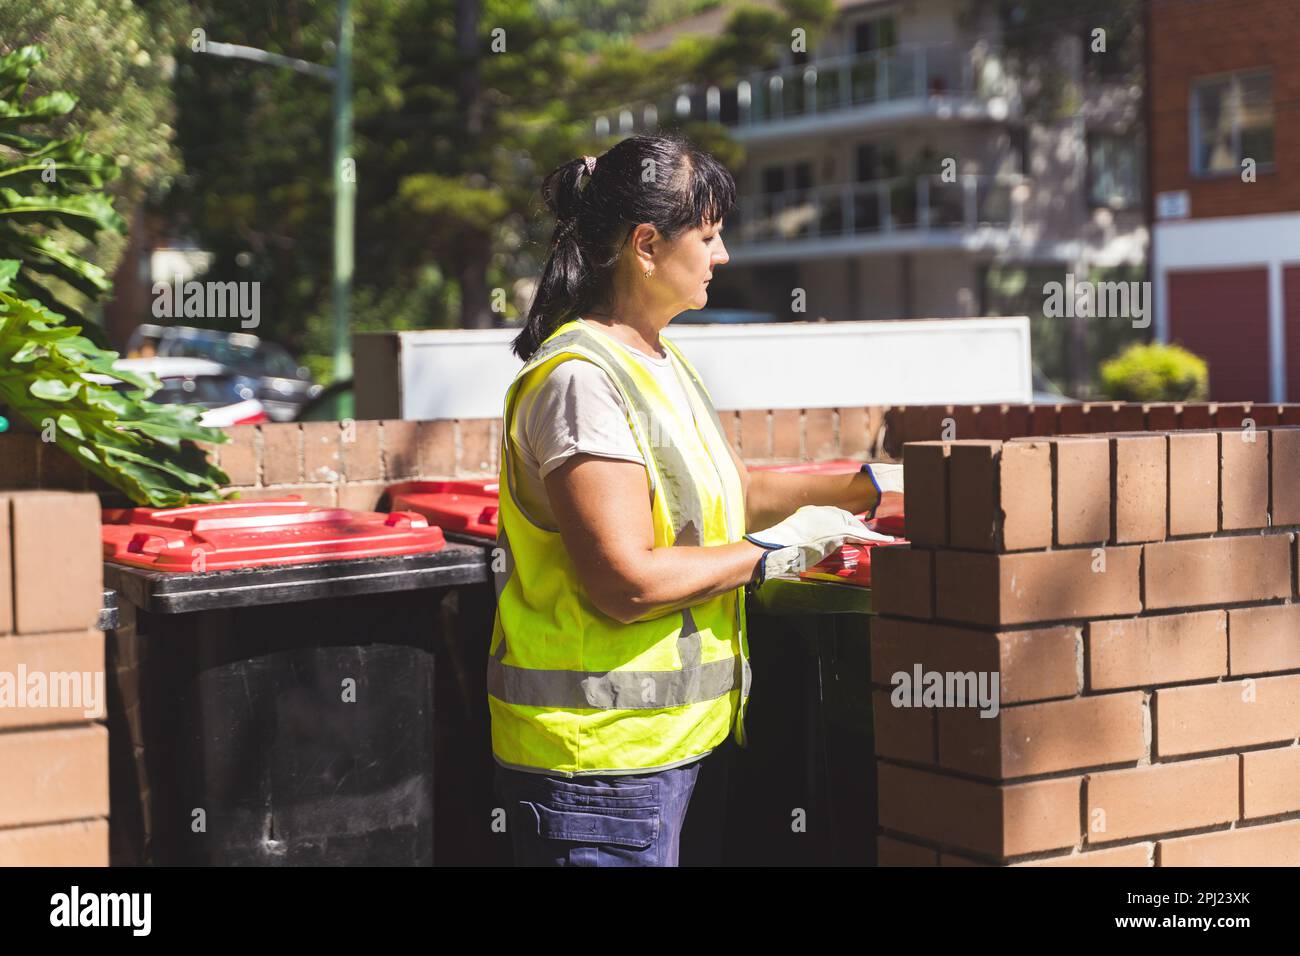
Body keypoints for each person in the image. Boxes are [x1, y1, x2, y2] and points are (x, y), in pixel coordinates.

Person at [490, 133, 903, 867]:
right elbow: (627, 581)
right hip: (602, 769)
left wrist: (874, 486)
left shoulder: (657, 359)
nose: (724, 256)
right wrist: (781, 550)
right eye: (709, 236)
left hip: (681, 748)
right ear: (647, 245)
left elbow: (735, 493)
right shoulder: (581, 380)